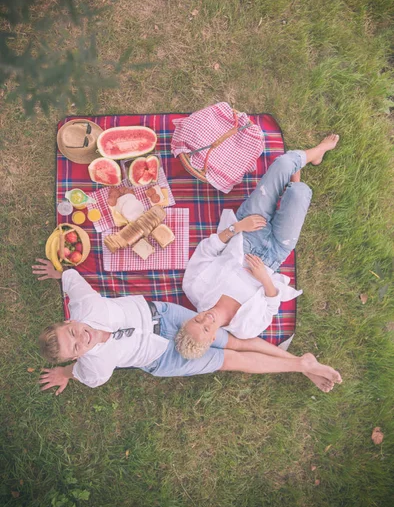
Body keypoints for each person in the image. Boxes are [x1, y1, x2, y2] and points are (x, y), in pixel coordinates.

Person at [32, 260, 342, 394]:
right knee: (232, 361)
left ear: (69, 320)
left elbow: (72, 280)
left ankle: (303, 365)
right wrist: (64, 373)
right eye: (75, 347)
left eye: (71, 331)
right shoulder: (94, 367)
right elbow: (80, 373)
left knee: (231, 340)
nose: (80, 338)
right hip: (163, 358)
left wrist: (59, 274)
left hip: (164, 315)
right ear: (77, 355)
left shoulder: (85, 304)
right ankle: (302, 364)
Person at [177, 135, 339, 360]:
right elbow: (272, 305)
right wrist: (264, 278)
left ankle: (318, 151)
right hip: (274, 256)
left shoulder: (194, 288)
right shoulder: (245, 329)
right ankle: (295, 180)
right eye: (206, 328)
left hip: (246, 235)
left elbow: (208, 249)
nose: (205, 319)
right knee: (300, 194)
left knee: (283, 163)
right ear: (213, 338)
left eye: (197, 320)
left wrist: (236, 227)